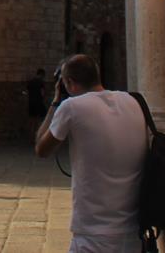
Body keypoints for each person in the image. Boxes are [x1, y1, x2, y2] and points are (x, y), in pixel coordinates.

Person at [34, 54, 148, 253]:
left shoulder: (71, 107)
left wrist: (55, 102)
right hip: (133, 231)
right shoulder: (132, 101)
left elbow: (41, 149)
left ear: (68, 83)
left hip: (93, 234)